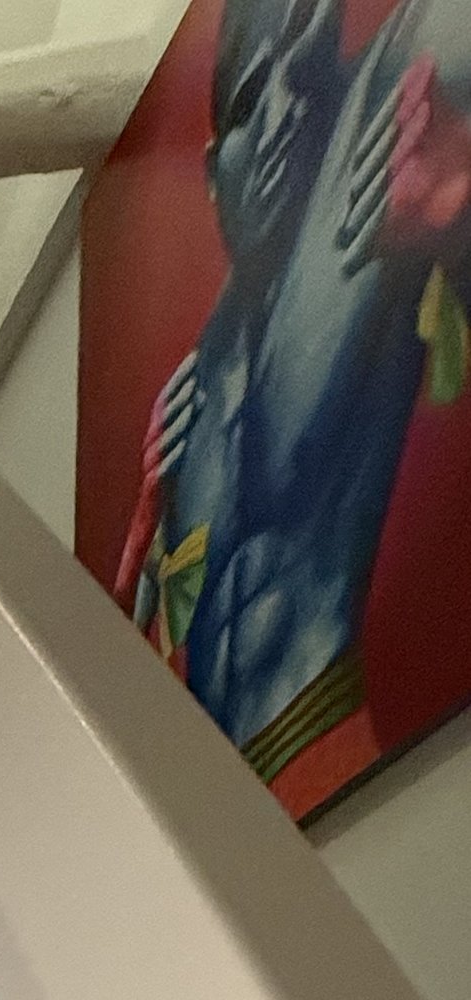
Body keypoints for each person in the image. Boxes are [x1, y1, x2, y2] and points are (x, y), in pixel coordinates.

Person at [114, 0, 471, 810]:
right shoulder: (195, 382)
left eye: (304, 77)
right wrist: (143, 520)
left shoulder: (367, 169)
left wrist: (458, 188)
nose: (279, 120)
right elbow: (114, 669)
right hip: (211, 816)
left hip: (335, 761)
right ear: (213, 173)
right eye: (248, 103)